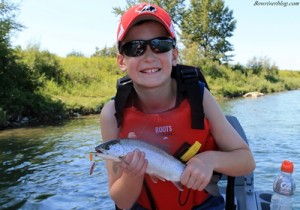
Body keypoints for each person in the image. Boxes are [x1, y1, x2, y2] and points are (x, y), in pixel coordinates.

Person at [100, 3, 256, 210]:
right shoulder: (112, 113)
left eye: (160, 45)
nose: (148, 56)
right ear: (122, 61)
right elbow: (122, 202)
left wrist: (210, 160)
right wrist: (132, 175)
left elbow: (246, 161)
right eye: (135, 47)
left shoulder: (200, 97)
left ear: (174, 55)